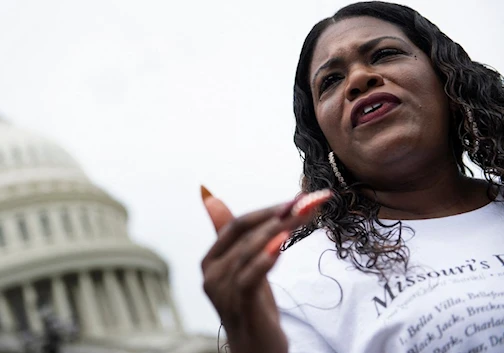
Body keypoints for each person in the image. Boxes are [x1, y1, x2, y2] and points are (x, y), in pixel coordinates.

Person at [200, 2, 504, 353]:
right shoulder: (296, 284)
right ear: (323, 137)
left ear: (448, 79)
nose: (359, 79)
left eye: (385, 54)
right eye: (330, 81)